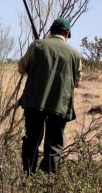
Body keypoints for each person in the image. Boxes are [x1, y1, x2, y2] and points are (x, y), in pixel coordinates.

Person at [18, 18, 82, 174]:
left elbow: (21, 68)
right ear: (66, 34)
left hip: (35, 103)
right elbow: (77, 83)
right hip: (60, 106)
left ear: (51, 31)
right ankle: (48, 183)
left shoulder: (38, 45)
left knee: (32, 141)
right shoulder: (75, 54)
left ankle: (28, 179)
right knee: (54, 145)